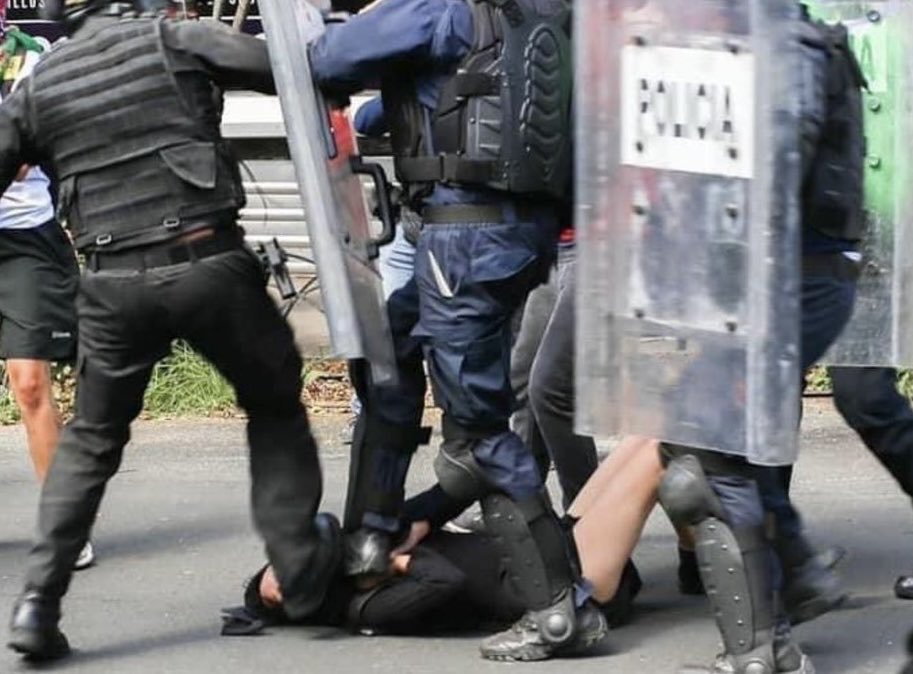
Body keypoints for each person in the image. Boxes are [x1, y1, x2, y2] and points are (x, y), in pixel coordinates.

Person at [5, 0, 340, 661]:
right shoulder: (178, 39)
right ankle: (298, 572)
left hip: (111, 284)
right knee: (272, 404)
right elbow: (297, 70)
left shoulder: (38, 85)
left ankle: (36, 605)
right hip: (207, 262)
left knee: (91, 444)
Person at [306, 0, 607, 661]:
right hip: (519, 233)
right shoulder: (543, 15)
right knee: (390, 352)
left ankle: (558, 609)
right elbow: (418, 105)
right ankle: (373, 531)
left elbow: (326, 59)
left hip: (464, 236)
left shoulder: (438, 10)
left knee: (477, 432)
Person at [0, 3, 94, 571]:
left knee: (30, 381)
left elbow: (28, 151)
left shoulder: (32, 61)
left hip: (24, 239)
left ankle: (64, 525)